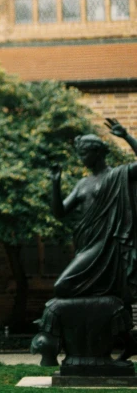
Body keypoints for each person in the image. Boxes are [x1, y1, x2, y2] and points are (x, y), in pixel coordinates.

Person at [51, 118, 137, 303]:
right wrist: (55, 184)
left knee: (62, 286)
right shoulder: (83, 183)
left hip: (106, 243)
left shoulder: (117, 175)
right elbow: (60, 212)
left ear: (97, 153)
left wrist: (127, 137)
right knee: (69, 287)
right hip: (86, 244)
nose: (81, 159)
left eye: (83, 154)